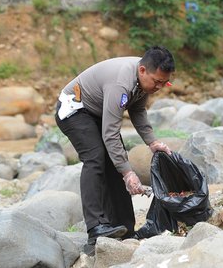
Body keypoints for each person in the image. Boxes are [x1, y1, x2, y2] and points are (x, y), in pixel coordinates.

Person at [55, 46, 175, 247]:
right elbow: (110, 134)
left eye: (164, 83)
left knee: (115, 162)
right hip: (74, 110)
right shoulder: (121, 82)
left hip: (96, 112)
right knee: (95, 157)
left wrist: (153, 142)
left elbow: (137, 111)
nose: (158, 87)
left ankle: (125, 228)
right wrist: (129, 174)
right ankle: (95, 227)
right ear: (143, 70)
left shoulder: (144, 79)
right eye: (156, 82)